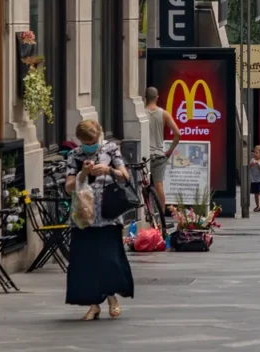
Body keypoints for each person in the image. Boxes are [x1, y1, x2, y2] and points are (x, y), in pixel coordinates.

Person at [64, 120, 134, 320]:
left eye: (93, 140)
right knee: (85, 262)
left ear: (99, 135)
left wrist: (108, 170)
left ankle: (112, 300)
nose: (90, 144)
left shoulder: (111, 150)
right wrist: (83, 173)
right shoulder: (74, 156)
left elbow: (125, 177)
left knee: (108, 260)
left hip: (108, 215)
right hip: (83, 217)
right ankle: (94, 305)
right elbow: (68, 187)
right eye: (86, 142)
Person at [142, 87, 182, 212]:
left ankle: (146, 213)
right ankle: (161, 217)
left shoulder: (141, 113)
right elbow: (178, 133)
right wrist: (169, 151)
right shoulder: (164, 113)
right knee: (159, 185)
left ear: (145, 98)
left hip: (145, 155)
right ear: (157, 98)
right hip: (159, 155)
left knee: (144, 184)